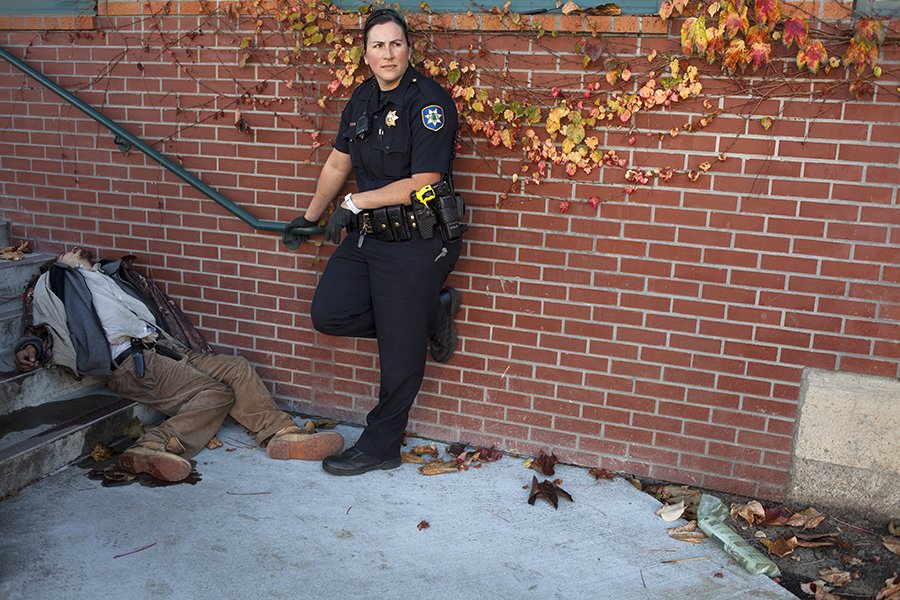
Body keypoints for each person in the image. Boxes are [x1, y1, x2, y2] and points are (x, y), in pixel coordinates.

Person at [283, 8, 463, 476]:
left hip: (416, 243)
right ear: (365, 54)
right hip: (369, 240)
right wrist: (309, 216)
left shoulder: (429, 103)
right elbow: (338, 164)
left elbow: (422, 183)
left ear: (409, 49)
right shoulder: (362, 99)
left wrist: (355, 204)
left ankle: (381, 446)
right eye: (378, 45)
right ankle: (428, 312)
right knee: (329, 313)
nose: (388, 53)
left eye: (396, 44)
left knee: (398, 360)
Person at [14, 248, 344, 482]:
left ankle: (279, 435)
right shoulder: (56, 283)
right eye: (65, 254)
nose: (71, 250)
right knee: (215, 395)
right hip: (134, 363)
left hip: (168, 348)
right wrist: (29, 345)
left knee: (236, 367)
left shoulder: (108, 276)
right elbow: (42, 324)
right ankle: (152, 446)